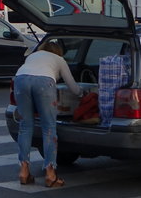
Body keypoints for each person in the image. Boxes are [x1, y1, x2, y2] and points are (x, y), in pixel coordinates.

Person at [13, 39, 86, 188]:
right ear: (58, 51)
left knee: (25, 126)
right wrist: (82, 94)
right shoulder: (59, 60)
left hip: (20, 80)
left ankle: (24, 171)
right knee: (49, 128)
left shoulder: (32, 56)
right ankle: (50, 174)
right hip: (44, 83)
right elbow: (72, 85)